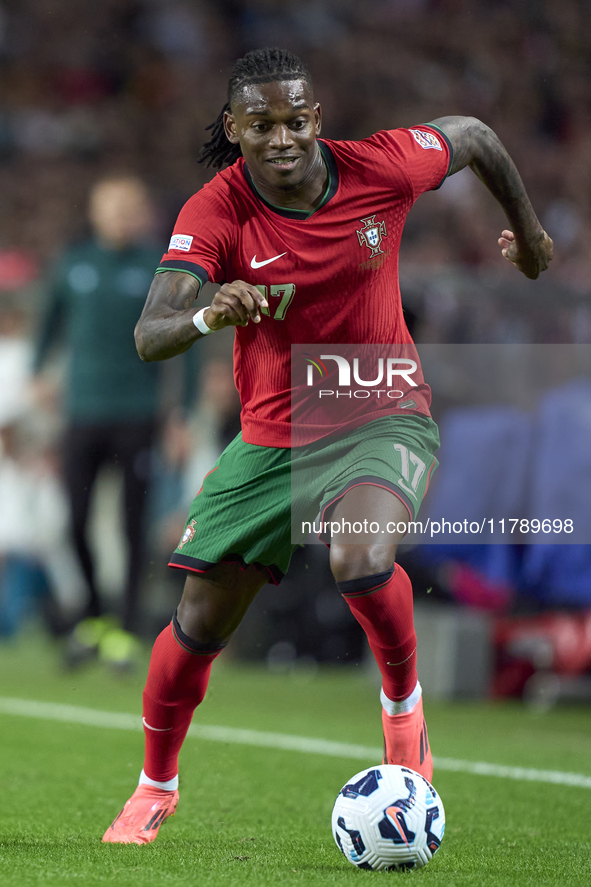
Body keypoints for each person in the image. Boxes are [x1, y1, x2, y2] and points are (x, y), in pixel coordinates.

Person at [102, 48, 552, 843]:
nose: (282, 136)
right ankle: (154, 784)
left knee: (357, 557)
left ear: (316, 117)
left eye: (295, 118)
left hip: (382, 405)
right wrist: (209, 315)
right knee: (198, 622)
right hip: (274, 436)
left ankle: (402, 714)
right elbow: (150, 335)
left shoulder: (383, 166)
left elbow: (475, 134)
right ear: (233, 129)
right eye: (261, 123)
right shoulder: (217, 209)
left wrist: (529, 232)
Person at [33, 175, 187, 667]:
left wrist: (179, 414)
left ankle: (125, 627)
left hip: (138, 413)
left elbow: (183, 344)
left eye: (128, 207)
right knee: (73, 522)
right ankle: (94, 615)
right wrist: (39, 372)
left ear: (141, 213)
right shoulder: (73, 263)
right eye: (111, 206)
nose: (120, 215)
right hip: (83, 411)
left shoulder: (156, 269)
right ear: (96, 212)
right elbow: (48, 323)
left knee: (131, 524)